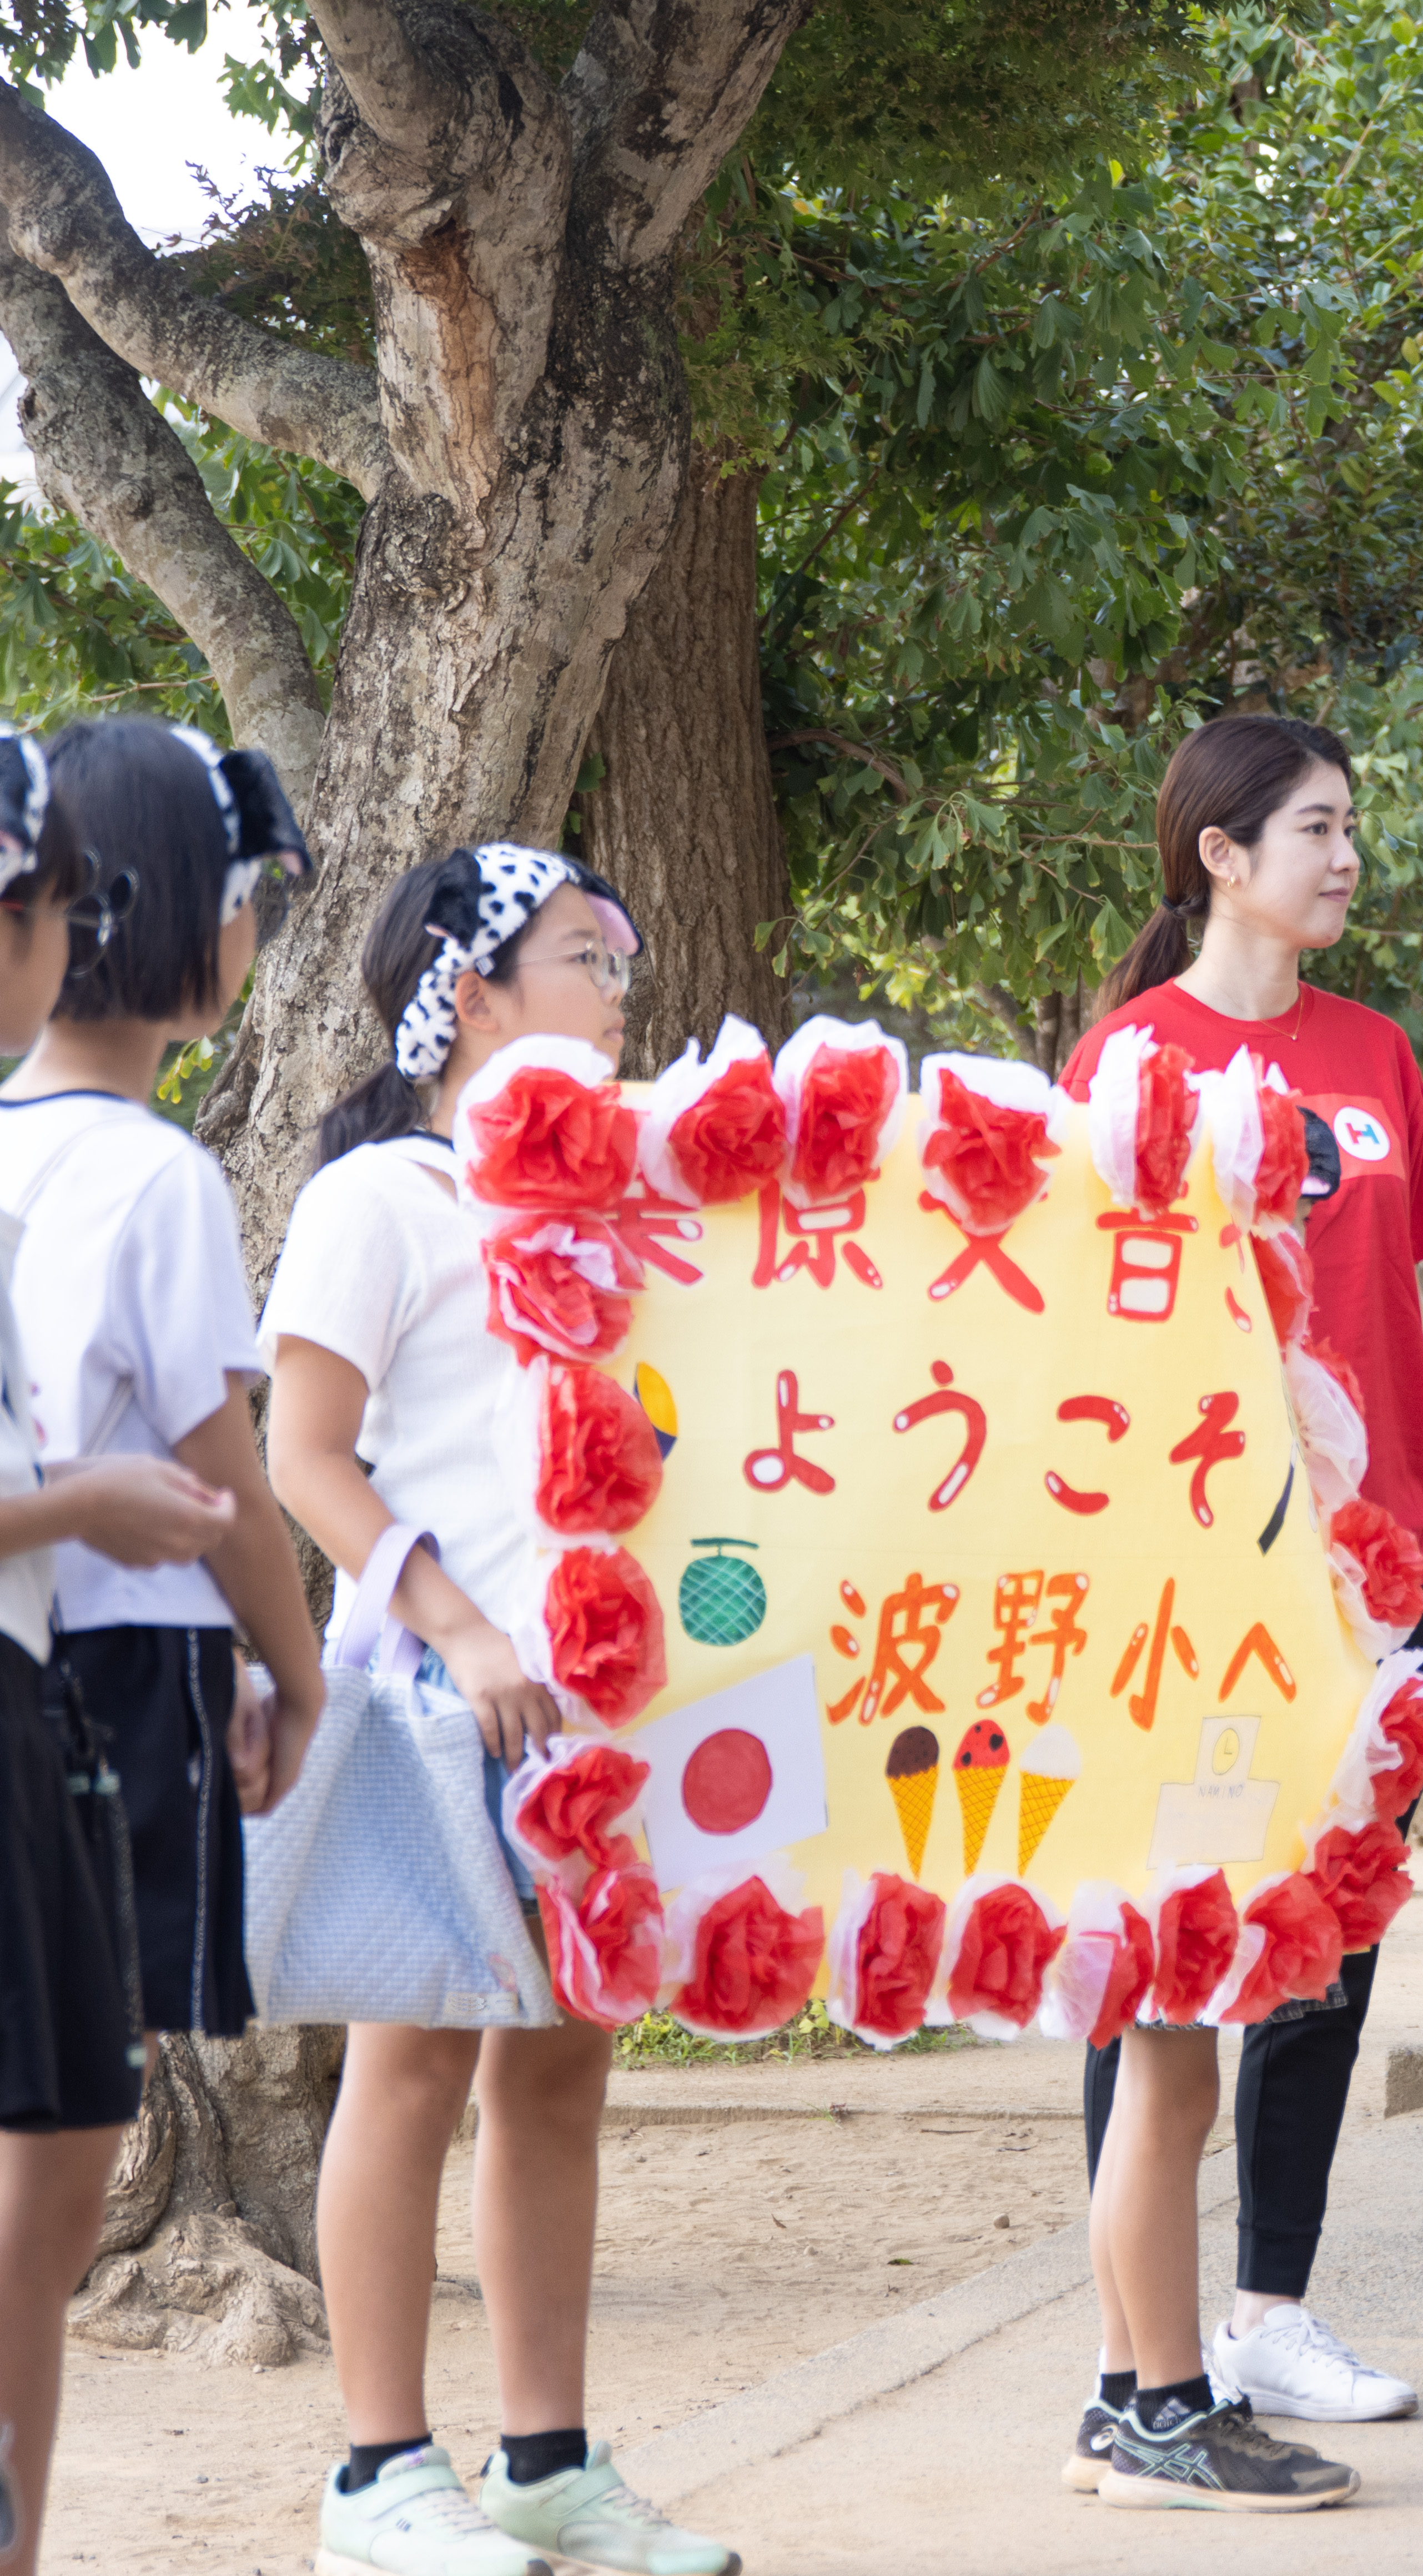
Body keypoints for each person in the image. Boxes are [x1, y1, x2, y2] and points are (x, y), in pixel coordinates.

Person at [263, 844, 738, 2575]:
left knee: (561, 2079)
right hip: (434, 1701)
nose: (618, 991)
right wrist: (462, 1629)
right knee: (407, 2065)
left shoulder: (623, 1202)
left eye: (624, 960)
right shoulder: (377, 1199)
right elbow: (301, 1457)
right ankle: (380, 2477)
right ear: (467, 993)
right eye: (581, 959)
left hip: (598, 1717)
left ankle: (547, 2461)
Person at [1055, 713, 1423, 2507]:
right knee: (1157, 1966)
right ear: (1220, 852)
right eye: (1315, 825)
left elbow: (1398, 1317)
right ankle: (1134, 2356)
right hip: (1207, 1582)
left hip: (1388, 1565)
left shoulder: (1377, 1053)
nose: (1346, 854)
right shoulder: (1128, 1059)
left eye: (1352, 825)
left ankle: (1268, 2310)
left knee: (1329, 1940)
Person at [0, 726, 250, 2576]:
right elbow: (217, 1456)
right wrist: (96, 1503)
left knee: (78, 2114)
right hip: (79, 1673)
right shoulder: (154, 1176)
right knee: (63, 2125)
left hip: (47, 1669)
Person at [6, 720, 329, 2050]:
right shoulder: (159, 1175)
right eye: (246, 900)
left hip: (25, 1630)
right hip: (134, 1661)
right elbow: (225, 1485)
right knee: (90, 2068)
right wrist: (296, 1679)